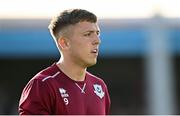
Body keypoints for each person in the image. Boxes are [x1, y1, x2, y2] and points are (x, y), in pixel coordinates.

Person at [18, 9, 111, 115]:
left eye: (97, 33)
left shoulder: (99, 85)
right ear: (65, 43)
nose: (97, 40)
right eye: (88, 34)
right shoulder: (42, 85)